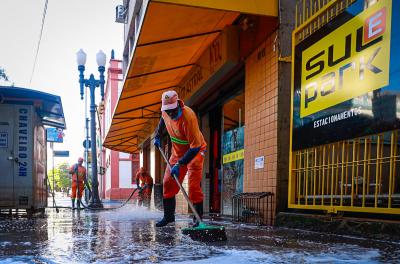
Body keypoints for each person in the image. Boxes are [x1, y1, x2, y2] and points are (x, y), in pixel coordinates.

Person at [154, 90, 207, 227]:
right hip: (177, 153)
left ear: (178, 104)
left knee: (193, 186)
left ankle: (198, 219)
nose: (170, 114)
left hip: (195, 151)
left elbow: (195, 147)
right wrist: (158, 135)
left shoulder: (189, 117)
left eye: (172, 110)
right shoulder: (166, 112)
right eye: (167, 111)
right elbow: (162, 119)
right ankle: (169, 217)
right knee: (167, 182)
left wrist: (180, 164)